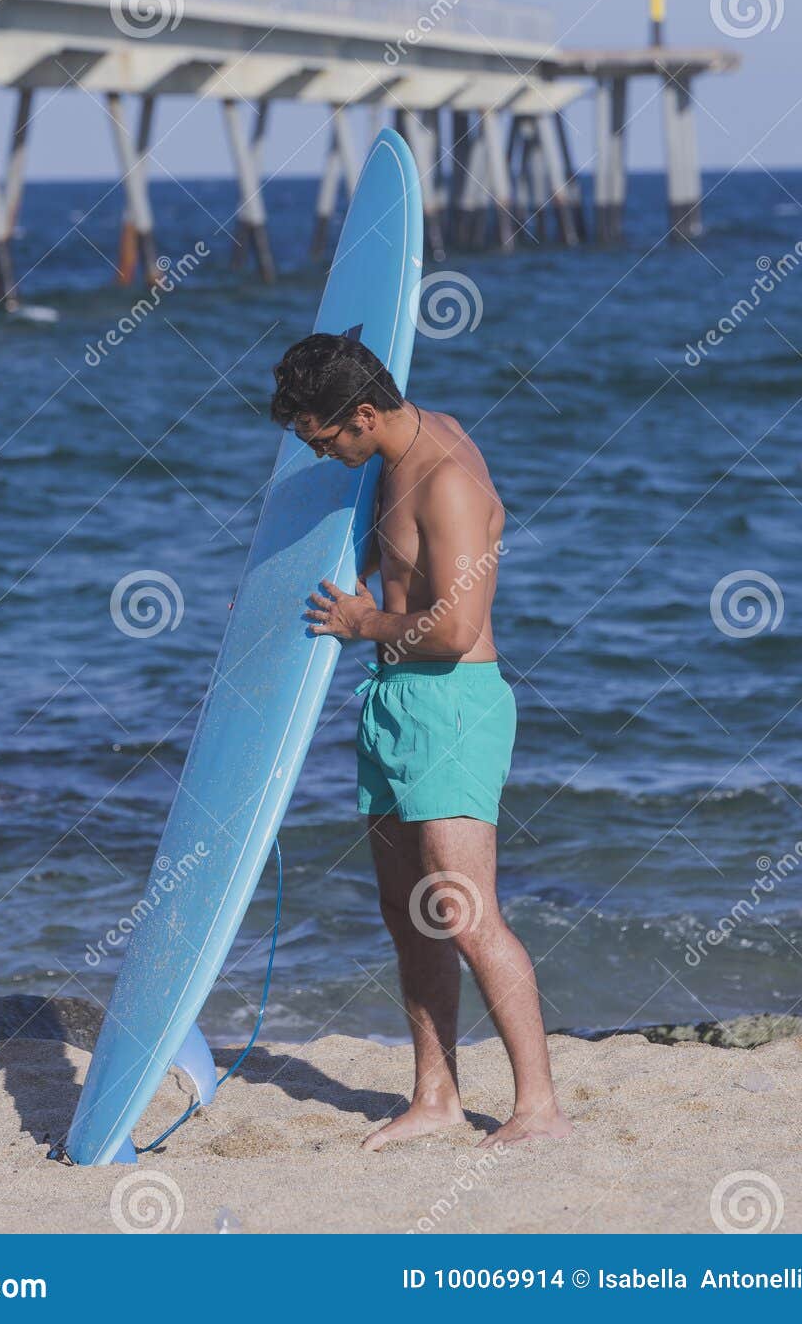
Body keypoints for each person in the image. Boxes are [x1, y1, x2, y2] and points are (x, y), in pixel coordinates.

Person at [270, 331, 571, 1152]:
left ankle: (539, 1109)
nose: (325, 454)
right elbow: (388, 548)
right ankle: (435, 1096)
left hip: (452, 706)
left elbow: (459, 627)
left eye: (327, 439)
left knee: (466, 914)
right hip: (393, 700)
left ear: (364, 414)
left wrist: (365, 622)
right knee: (408, 915)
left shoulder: (448, 481)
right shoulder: (389, 454)